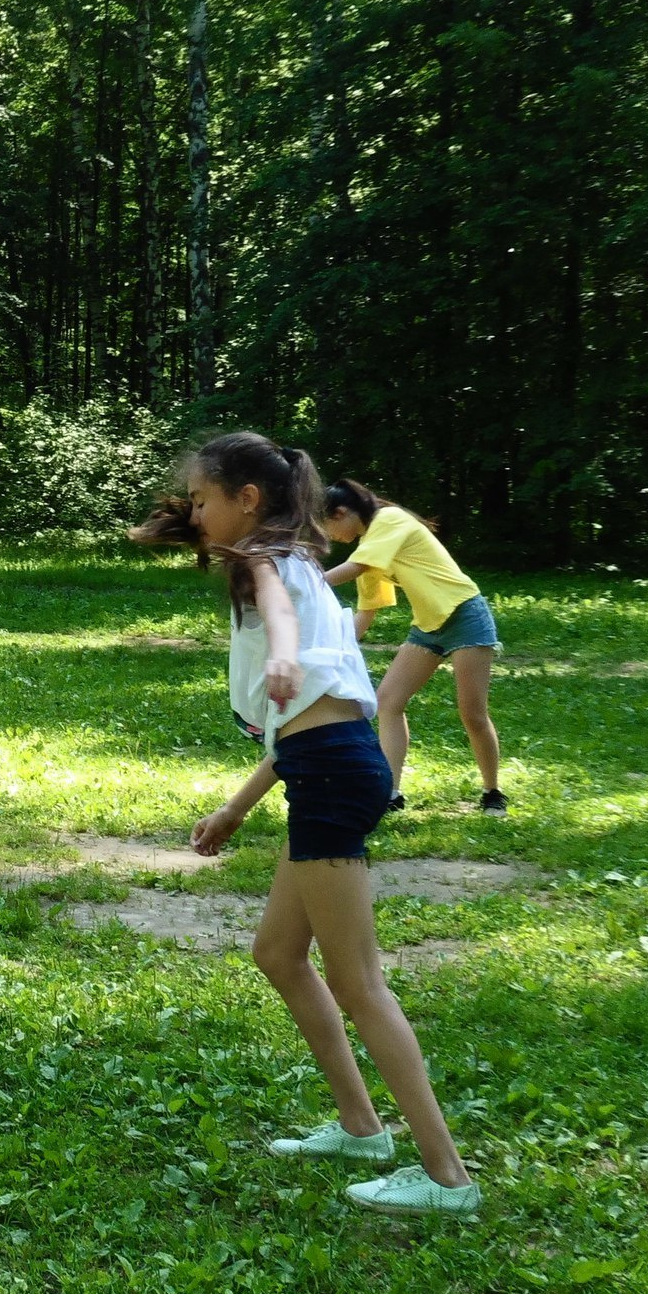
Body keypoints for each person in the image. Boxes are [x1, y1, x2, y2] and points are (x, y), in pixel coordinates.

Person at [132, 431, 479, 1217]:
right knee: (280, 953)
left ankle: (447, 1177)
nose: (193, 511)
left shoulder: (270, 565)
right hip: (331, 761)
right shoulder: (304, 565)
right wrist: (237, 806)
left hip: (329, 772)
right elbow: (315, 722)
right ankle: (361, 1129)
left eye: (202, 498)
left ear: (247, 500)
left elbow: (285, 634)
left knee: (359, 982)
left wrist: (281, 656)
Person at [318, 480, 506, 815]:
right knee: (388, 702)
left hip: (465, 614)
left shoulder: (389, 521)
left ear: (342, 513)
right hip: (428, 626)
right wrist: (334, 653)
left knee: (472, 713)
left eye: (327, 525)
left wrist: (306, 583)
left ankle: (493, 792)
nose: (329, 536)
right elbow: (365, 614)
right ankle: (391, 793)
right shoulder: (370, 547)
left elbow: (355, 567)